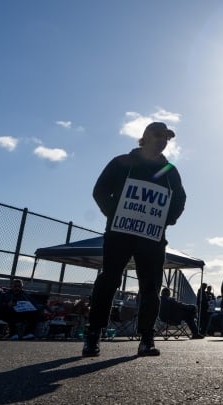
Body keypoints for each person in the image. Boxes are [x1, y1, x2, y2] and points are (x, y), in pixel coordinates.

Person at [82, 122, 186, 357]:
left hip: (152, 237)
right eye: (158, 135)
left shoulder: (170, 171)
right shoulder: (122, 162)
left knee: (150, 286)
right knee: (109, 280)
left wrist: (166, 220)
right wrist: (114, 213)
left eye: (166, 137)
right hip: (120, 233)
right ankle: (93, 334)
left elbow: (179, 199)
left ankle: (146, 338)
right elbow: (100, 190)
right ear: (145, 137)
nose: (162, 140)